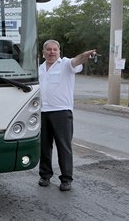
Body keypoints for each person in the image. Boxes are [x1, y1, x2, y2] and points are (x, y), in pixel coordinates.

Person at [38, 39, 96, 192]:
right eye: (48, 49)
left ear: (59, 52)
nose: (52, 52)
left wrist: (86, 55)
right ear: (43, 53)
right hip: (43, 112)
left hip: (62, 112)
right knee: (44, 146)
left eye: (54, 49)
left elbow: (78, 59)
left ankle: (66, 179)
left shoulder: (66, 64)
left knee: (64, 147)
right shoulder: (40, 69)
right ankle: (45, 176)